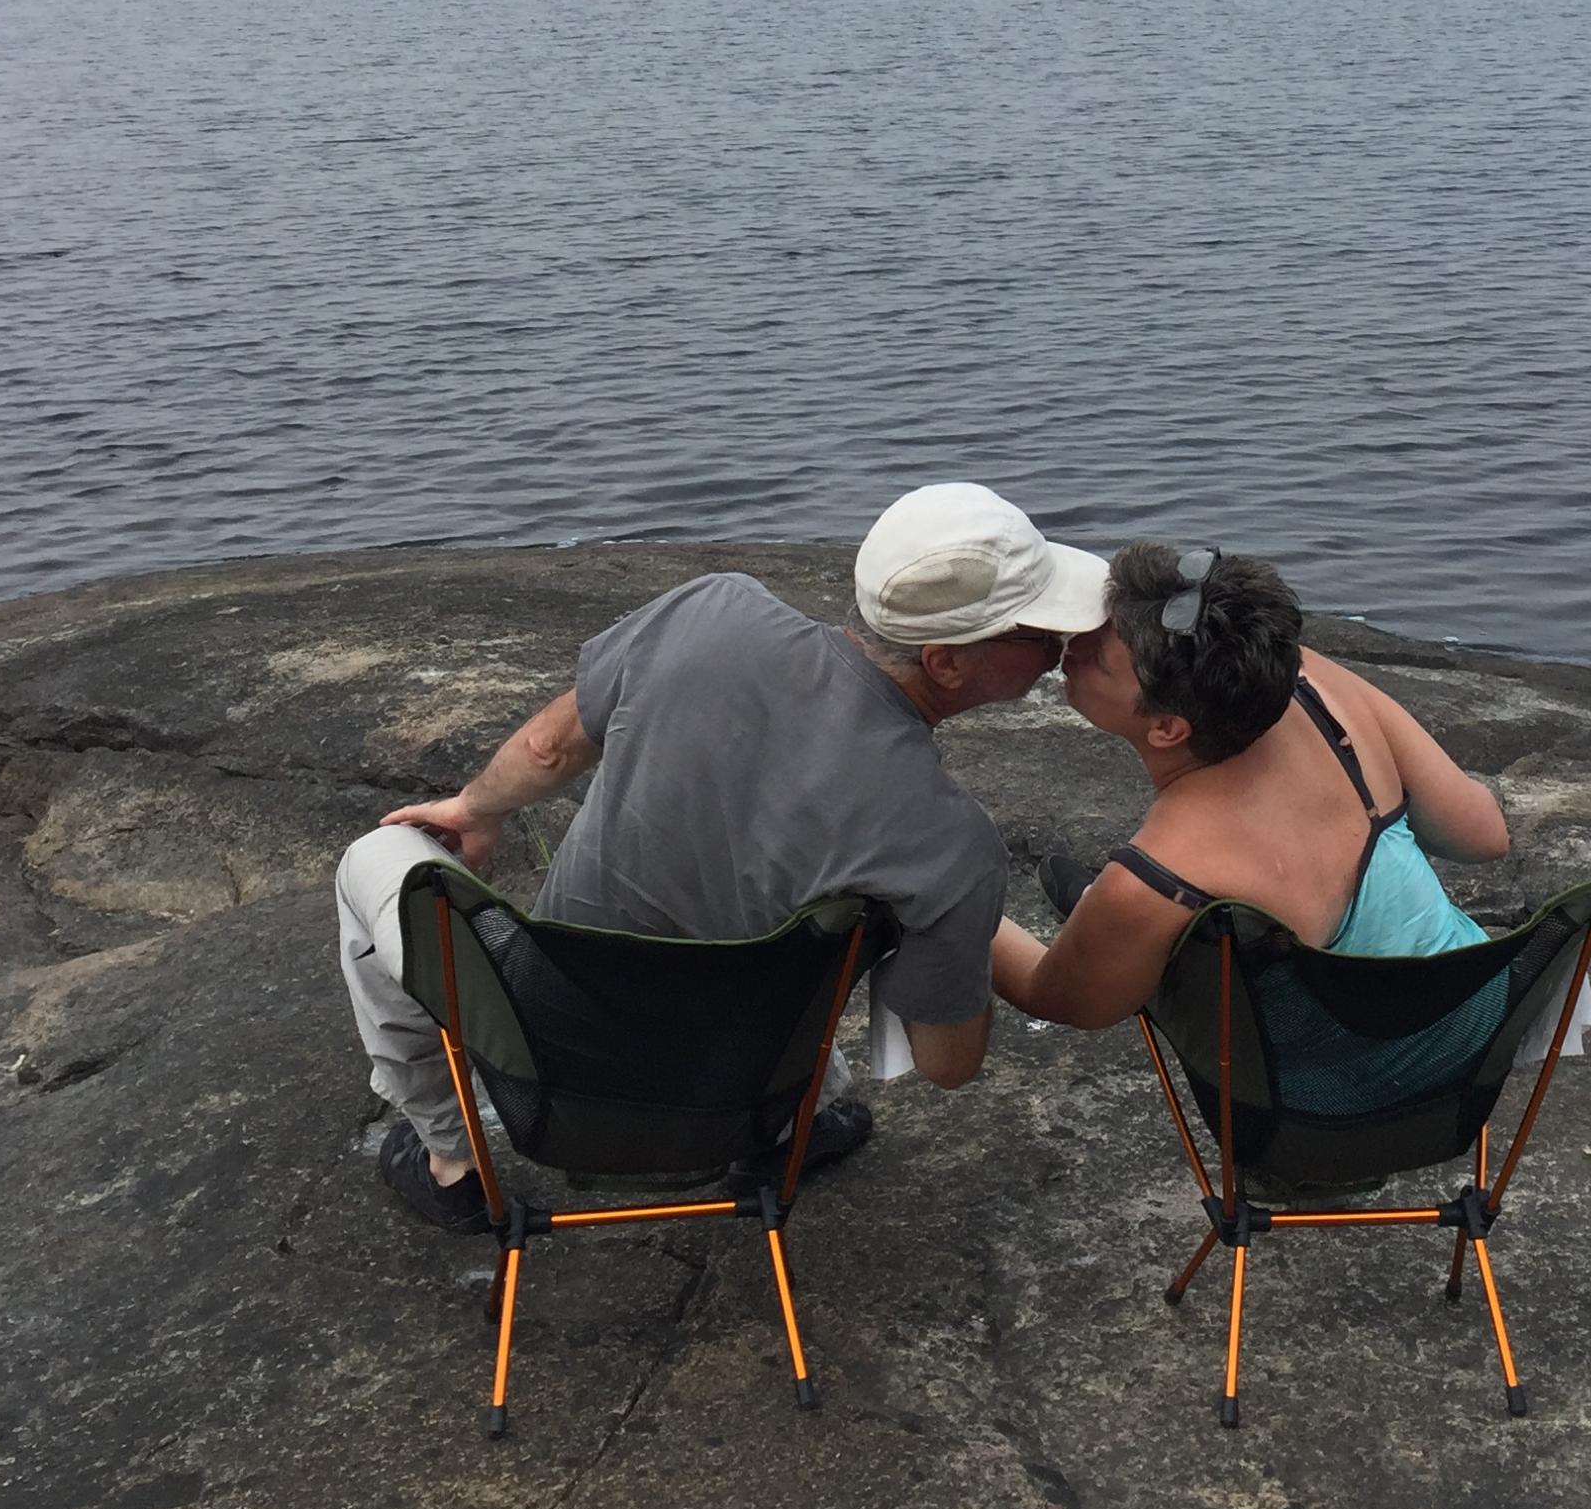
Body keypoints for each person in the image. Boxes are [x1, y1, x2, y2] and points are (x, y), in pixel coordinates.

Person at [337, 482, 1109, 1230]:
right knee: (794, 966)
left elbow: (549, 747)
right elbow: (947, 1062)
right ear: (944, 661)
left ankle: (453, 1160)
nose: (1060, 648)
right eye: (1039, 634)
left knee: (373, 857)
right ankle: (793, 1131)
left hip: (544, 1061)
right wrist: (952, 919)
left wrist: (473, 809)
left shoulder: (711, 611)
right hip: (736, 1095)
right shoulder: (947, 844)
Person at [990, 541, 1512, 1074]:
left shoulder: (1158, 874)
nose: (1068, 648)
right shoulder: (1309, 681)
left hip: (1348, 1094)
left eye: (1097, 658)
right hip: (1481, 1018)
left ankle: (1097, 914)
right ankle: (1097, 913)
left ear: (1168, 728)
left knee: (1135, 933)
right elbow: (1484, 835)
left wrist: (951, 904)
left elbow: (1057, 998)